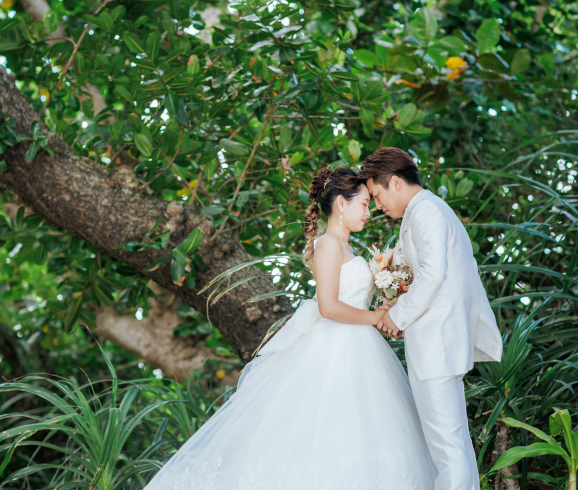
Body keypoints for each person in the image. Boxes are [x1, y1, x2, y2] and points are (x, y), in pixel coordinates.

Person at [144, 166, 436, 489]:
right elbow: (328, 307)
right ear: (341, 203)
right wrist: (375, 318)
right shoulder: (327, 245)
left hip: (360, 347)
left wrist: (383, 310)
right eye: (365, 203)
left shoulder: (349, 248)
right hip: (336, 348)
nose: (370, 212)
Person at [359, 147, 504, 490]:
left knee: (447, 447)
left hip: (435, 343)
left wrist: (397, 316)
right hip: (436, 343)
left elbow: (432, 275)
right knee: (454, 445)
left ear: (395, 182)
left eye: (377, 195)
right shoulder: (423, 211)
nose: (378, 206)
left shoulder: (426, 211)